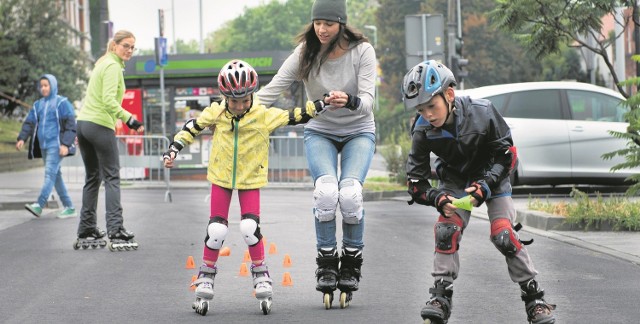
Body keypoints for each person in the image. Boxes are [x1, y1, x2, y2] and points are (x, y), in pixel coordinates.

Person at [162, 59, 325, 315]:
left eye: (245, 100)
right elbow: (192, 127)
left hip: (250, 178)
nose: (239, 106)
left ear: (252, 96)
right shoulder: (216, 112)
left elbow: (293, 115)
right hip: (221, 176)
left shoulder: (262, 115)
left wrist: (321, 104)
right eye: (233, 101)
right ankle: (205, 275)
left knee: (249, 228)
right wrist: (173, 149)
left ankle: (261, 273)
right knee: (216, 229)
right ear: (224, 97)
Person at [403, 60, 556, 324]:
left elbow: (507, 155)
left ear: (449, 95)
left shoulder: (483, 112)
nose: (427, 114)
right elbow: (416, 182)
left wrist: (484, 186)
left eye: (431, 106)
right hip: (454, 179)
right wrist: (438, 198)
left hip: (492, 178)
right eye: (420, 108)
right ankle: (441, 296)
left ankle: (535, 299)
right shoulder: (422, 129)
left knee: (503, 234)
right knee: (446, 230)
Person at [256, 0, 376, 309]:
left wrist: (349, 100)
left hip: (358, 130)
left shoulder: (362, 50)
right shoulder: (305, 53)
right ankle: (326, 262)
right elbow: (272, 90)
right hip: (320, 130)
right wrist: (237, 111)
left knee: (349, 194)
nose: (321, 29)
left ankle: (350, 262)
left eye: (328, 23)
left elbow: (367, 101)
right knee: (326, 192)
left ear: (341, 24)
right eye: (317, 23)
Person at [74, 30, 144, 250]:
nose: (129, 50)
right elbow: (106, 100)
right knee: (112, 176)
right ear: (114, 45)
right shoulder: (113, 66)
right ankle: (115, 228)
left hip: (83, 124)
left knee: (93, 177)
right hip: (98, 125)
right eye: (126, 46)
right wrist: (129, 119)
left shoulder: (102, 63)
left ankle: (87, 228)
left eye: (133, 47)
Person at [17, 74, 77, 219]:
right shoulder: (38, 105)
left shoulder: (62, 103)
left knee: (50, 174)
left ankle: (39, 204)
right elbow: (29, 123)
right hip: (43, 146)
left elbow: (71, 125)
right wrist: (22, 138)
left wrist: (65, 144)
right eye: (41, 86)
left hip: (56, 146)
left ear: (53, 86)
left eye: (46, 85)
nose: (43, 88)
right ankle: (69, 207)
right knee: (56, 176)